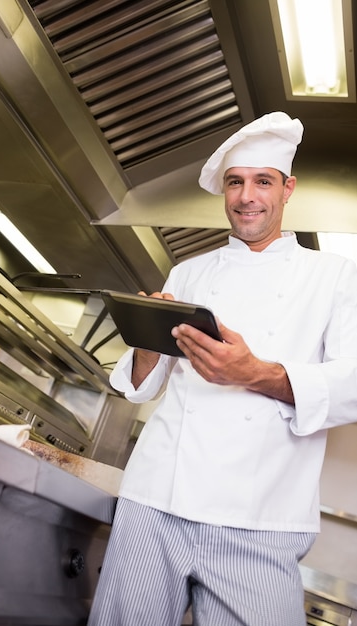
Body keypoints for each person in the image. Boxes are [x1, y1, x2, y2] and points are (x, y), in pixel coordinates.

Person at [87, 111, 357, 626]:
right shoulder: (189, 272)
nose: (247, 196)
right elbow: (144, 388)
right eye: (236, 182)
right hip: (157, 501)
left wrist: (255, 372)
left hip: (259, 517)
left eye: (262, 182)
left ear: (288, 189)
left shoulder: (336, 276)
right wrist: (147, 343)